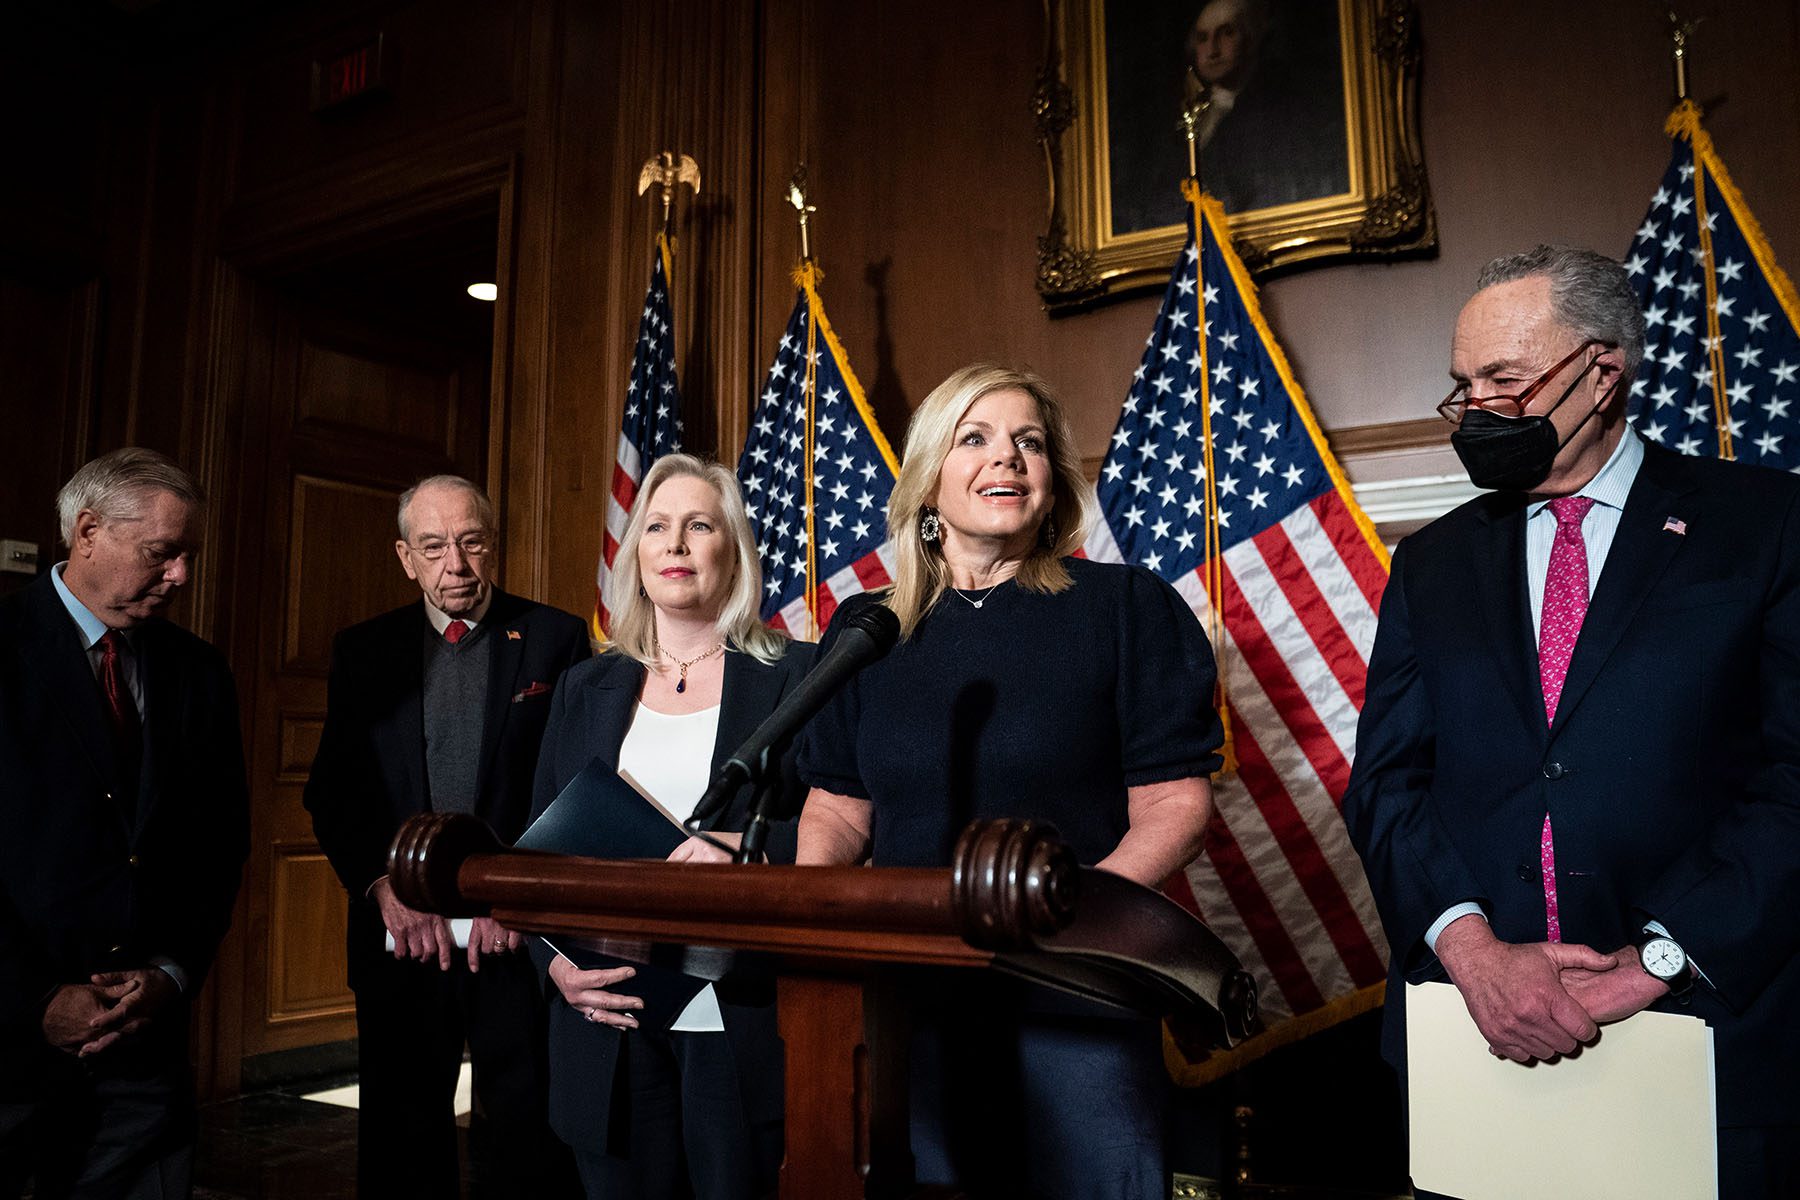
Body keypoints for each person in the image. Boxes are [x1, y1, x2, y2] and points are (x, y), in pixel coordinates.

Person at [1343, 245, 1800, 1199]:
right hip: (1477, 1039)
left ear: (1603, 371)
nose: (1477, 408)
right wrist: (1471, 953)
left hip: (1710, 1035)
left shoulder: (1764, 525)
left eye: (1504, 378)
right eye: (1463, 385)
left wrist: (1656, 963)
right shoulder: (1431, 563)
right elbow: (1388, 783)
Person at [795, 364, 1222, 1198]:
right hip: (910, 998)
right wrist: (817, 925)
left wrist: (1075, 916)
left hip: (1075, 992)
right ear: (928, 478)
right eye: (976, 438)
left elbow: (1177, 807)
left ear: (1054, 477)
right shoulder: (866, 631)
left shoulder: (1124, 607)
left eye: (1030, 441)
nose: (1009, 459)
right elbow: (838, 809)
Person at [527, 453, 814, 1200]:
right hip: (606, 1013)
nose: (675, 544)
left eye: (698, 525)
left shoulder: (798, 679)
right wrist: (556, 968)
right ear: (636, 555)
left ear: (734, 549)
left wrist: (744, 853)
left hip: (739, 1012)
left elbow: (841, 834)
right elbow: (533, 855)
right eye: (656, 527)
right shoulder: (584, 685)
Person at [303, 474, 588, 1198]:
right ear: (405, 556)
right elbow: (334, 792)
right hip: (405, 932)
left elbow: (572, 785)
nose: (454, 566)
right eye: (433, 548)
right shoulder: (363, 651)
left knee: (531, 1141)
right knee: (402, 1144)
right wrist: (382, 887)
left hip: (512, 936)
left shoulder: (555, 639)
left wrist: (515, 900)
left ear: (493, 547)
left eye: (469, 544)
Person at [0, 448, 249, 1199]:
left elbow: (218, 845)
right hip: (11, 1052)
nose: (180, 576)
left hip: (145, 1058)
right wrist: (35, 1000)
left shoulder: (198, 672)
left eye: (186, 557)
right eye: (161, 554)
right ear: (86, 532)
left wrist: (173, 974)